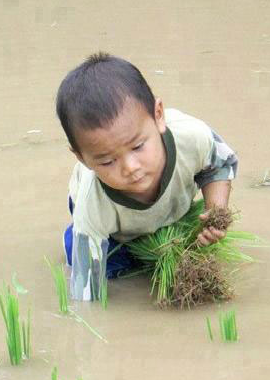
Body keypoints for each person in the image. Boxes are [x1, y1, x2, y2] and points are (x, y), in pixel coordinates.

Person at [55, 52, 238, 301]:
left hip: (170, 205)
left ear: (158, 115)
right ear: (82, 158)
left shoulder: (191, 137)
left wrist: (215, 214)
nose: (130, 167)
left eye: (138, 146)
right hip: (115, 228)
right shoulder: (93, 203)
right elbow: (87, 290)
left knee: (194, 245)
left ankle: (161, 231)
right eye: (108, 161)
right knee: (106, 263)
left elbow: (219, 164)